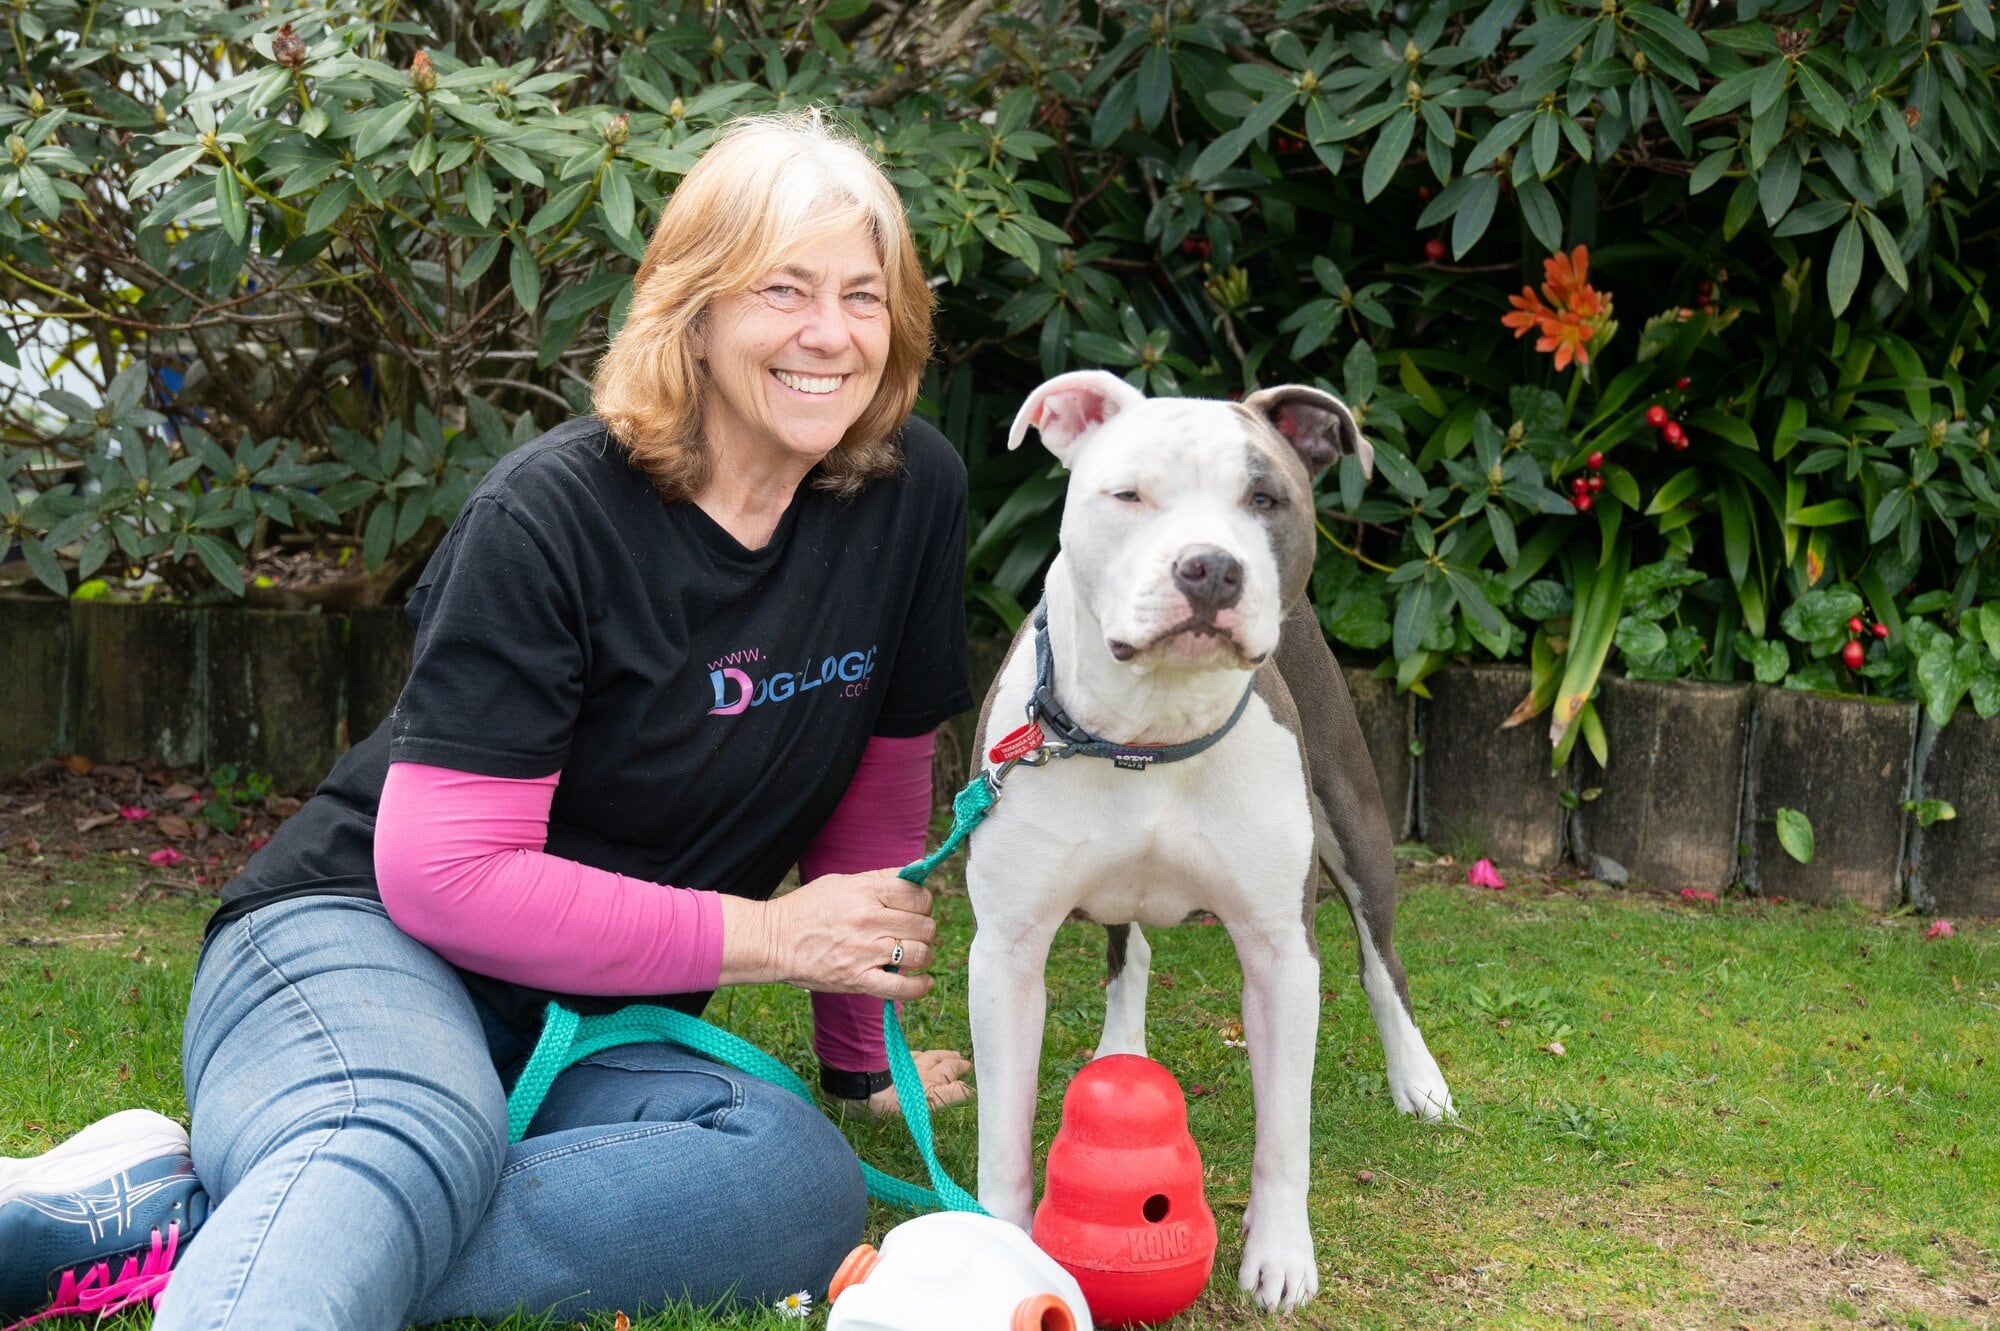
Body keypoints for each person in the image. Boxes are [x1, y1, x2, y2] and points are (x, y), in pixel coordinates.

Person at [0, 110, 978, 1331]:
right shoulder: (551, 516)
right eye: (783, 289)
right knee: (408, 1122)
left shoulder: (907, 491)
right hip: (356, 940)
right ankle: (321, 1210)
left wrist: (855, 1056)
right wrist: (773, 935)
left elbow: (870, 798)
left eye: (862, 296)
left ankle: (197, 1222)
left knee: (789, 1175)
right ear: (697, 309)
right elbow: (446, 876)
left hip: (591, 1020)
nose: (829, 335)